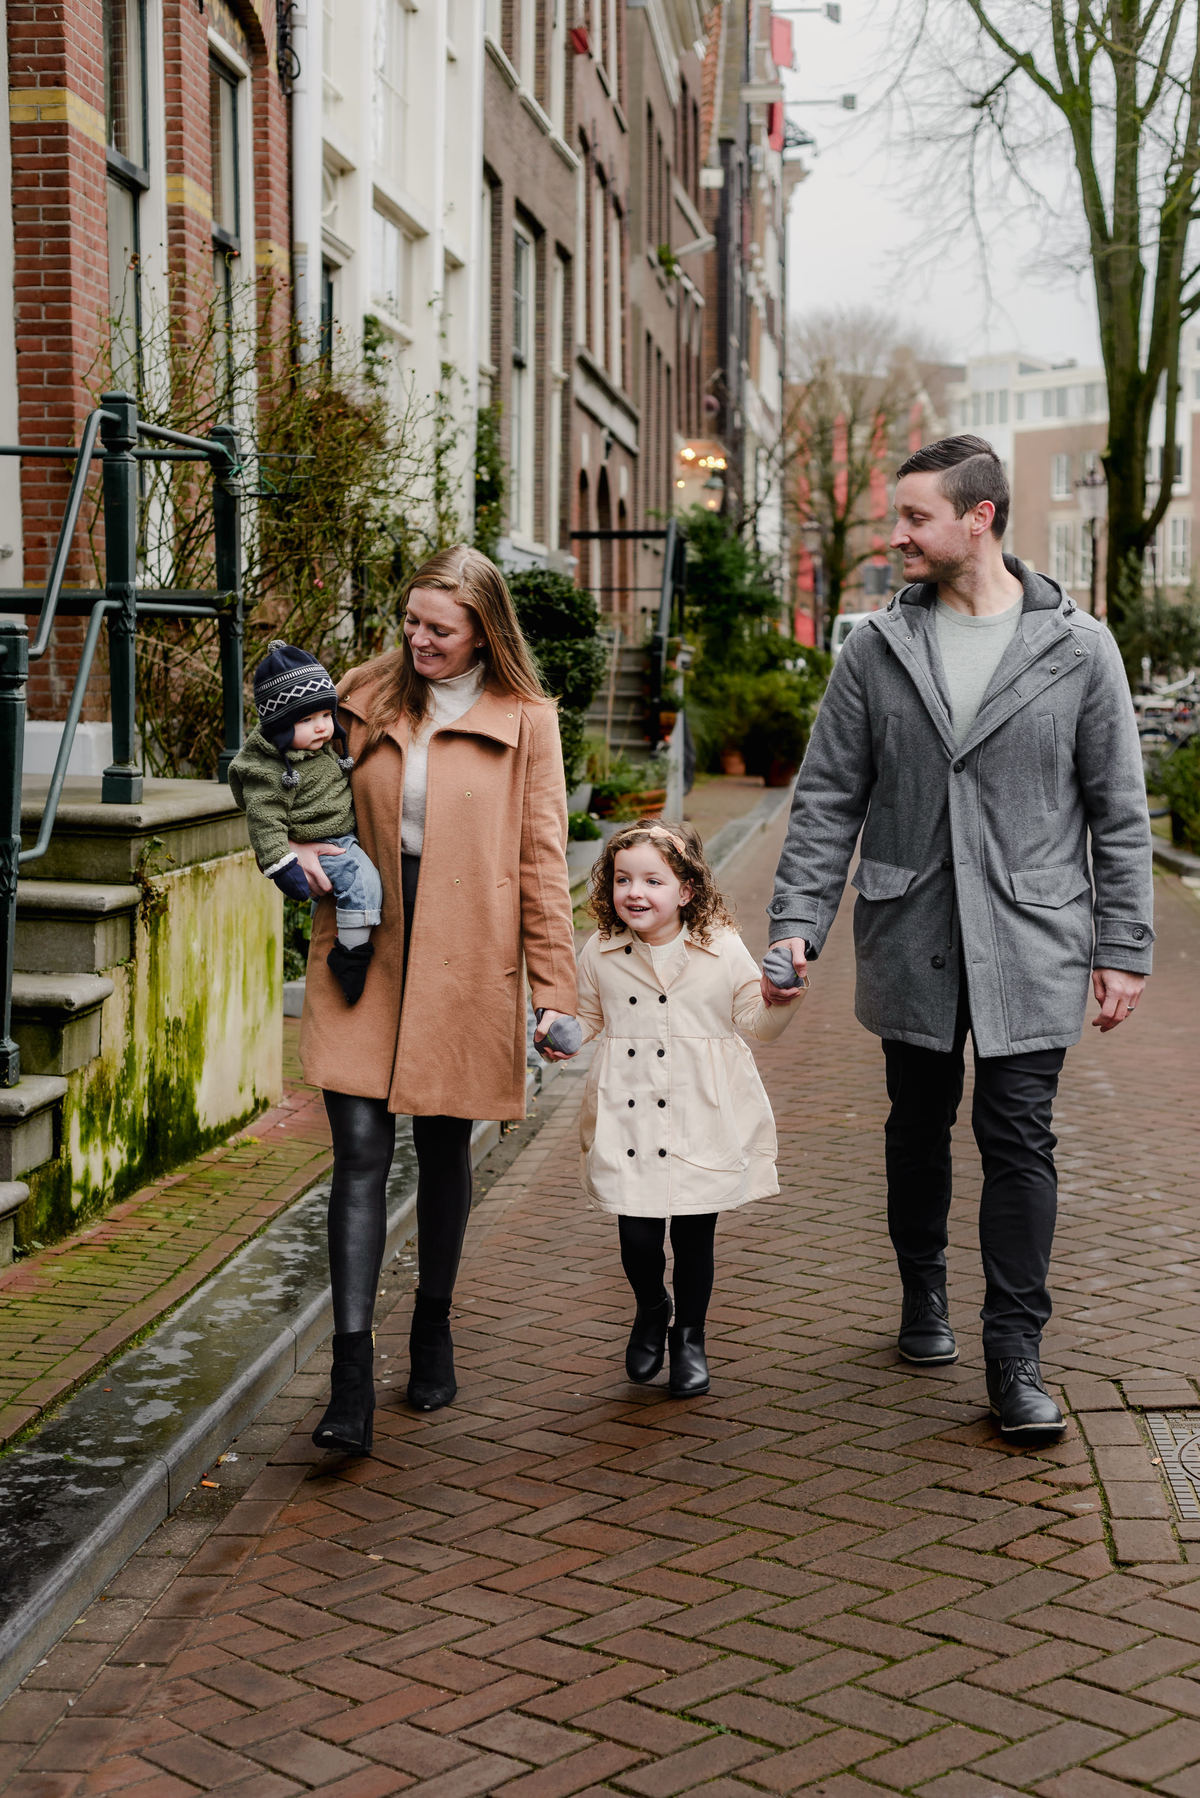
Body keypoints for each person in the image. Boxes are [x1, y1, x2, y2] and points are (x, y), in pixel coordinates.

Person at [764, 435, 1153, 1441]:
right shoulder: (877, 649)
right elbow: (827, 801)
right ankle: (923, 1293)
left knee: (1019, 1134)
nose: (897, 536)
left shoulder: (1081, 647)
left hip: (1034, 935)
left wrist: (1125, 946)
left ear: (978, 519)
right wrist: (798, 922)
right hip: (914, 925)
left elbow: (1117, 810)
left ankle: (1015, 1352)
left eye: (915, 519)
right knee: (917, 1120)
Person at [297, 546, 579, 1454]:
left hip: (468, 953)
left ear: (484, 633)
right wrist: (291, 856)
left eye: (440, 629)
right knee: (360, 1149)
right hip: (363, 946)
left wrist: (554, 990)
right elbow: (302, 797)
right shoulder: (362, 693)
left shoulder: (529, 719)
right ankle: (348, 1377)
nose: (419, 639)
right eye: (412, 621)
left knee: (445, 1143)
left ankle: (432, 1322)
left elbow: (542, 859)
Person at [575, 821, 804, 1397]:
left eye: (653, 880)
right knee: (638, 1238)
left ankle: (691, 1336)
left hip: (702, 1111)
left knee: (696, 1238)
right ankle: (653, 1307)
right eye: (623, 879)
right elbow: (584, 1021)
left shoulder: (721, 947)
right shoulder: (600, 951)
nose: (636, 892)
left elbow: (758, 1022)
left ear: (686, 891)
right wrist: (555, 1030)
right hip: (629, 1114)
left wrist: (778, 998)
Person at [229, 642, 384, 1005]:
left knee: (355, 891)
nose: (321, 728)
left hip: (341, 834)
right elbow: (265, 819)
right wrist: (281, 864)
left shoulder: (316, 748)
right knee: (362, 884)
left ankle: (348, 942)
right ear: (281, 726)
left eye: (325, 716)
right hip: (326, 842)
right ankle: (351, 957)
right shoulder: (270, 771)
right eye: (305, 720)